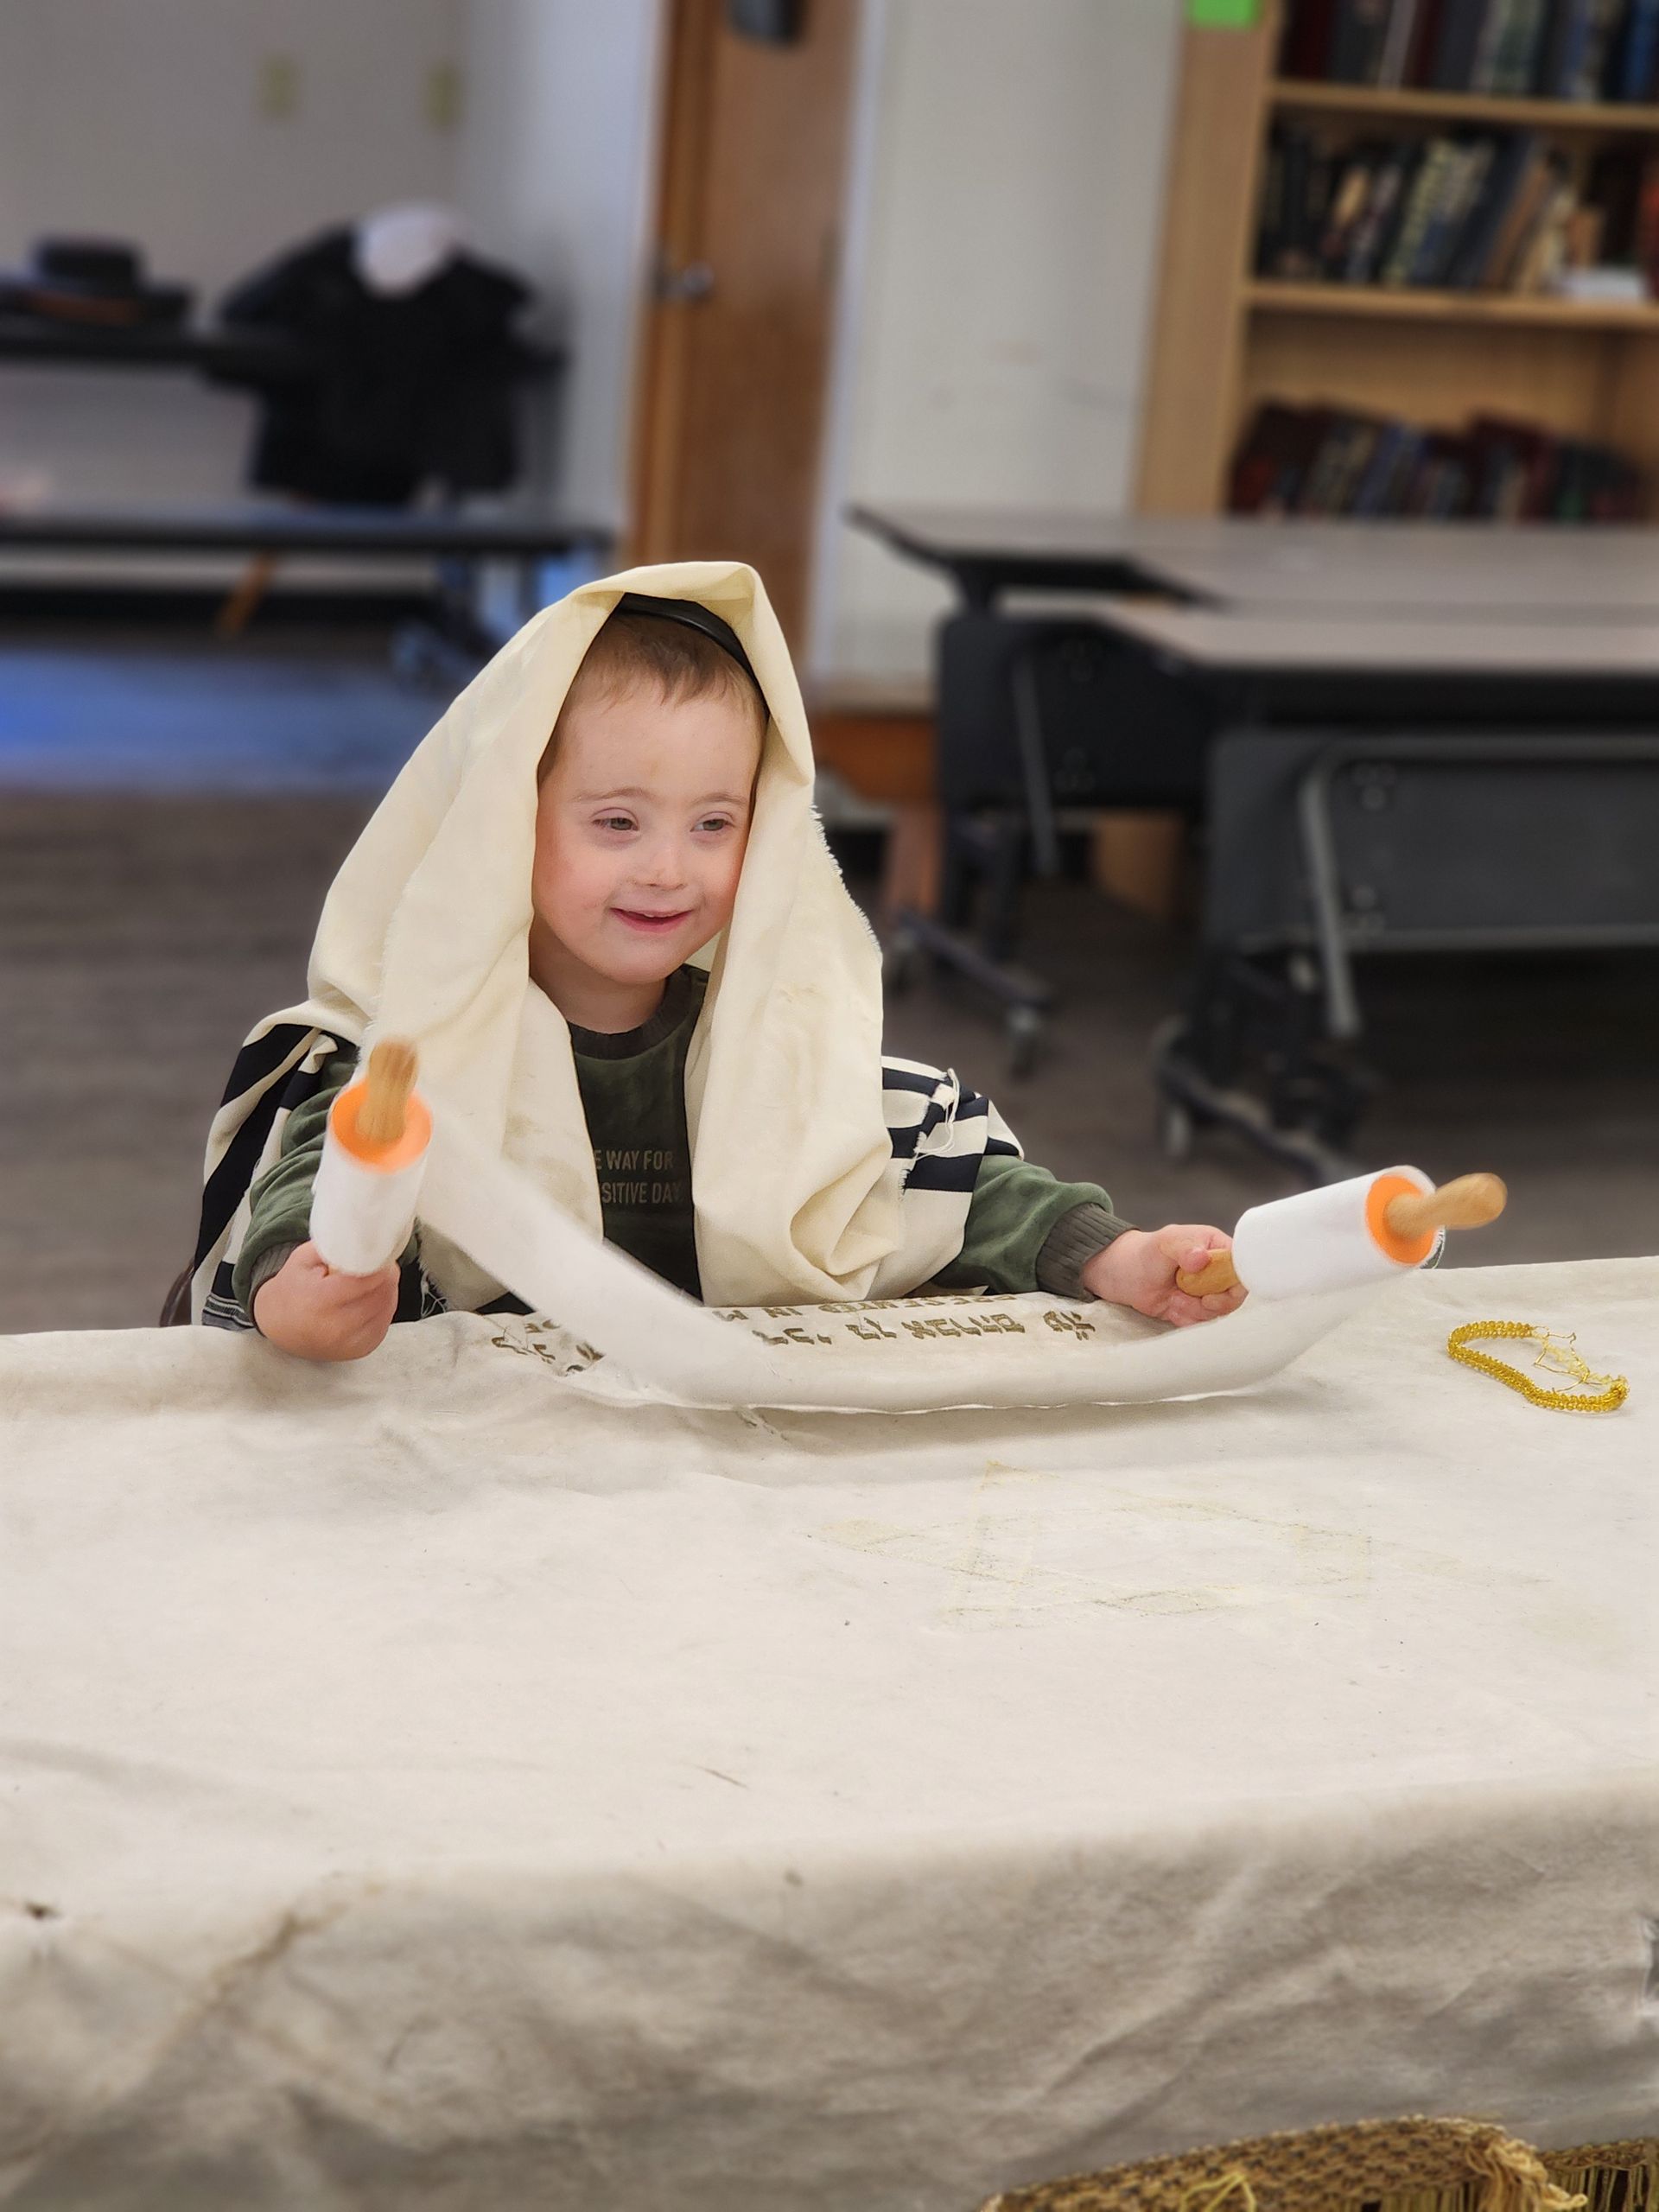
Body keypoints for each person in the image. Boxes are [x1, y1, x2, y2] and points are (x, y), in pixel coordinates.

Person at [187, 563, 1243, 1359]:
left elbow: (955, 1189)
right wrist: (310, 1291)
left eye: (714, 824)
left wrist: (1117, 1256)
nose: (668, 871)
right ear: (504, 825)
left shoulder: (780, 1050)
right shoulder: (423, 1055)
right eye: (615, 822)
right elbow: (327, 1180)